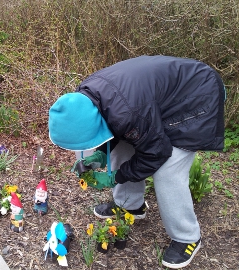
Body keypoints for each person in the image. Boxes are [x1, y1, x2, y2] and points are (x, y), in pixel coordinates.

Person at [48, 55, 225, 269]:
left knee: (168, 170)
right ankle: (131, 205)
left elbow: (156, 153)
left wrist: (116, 177)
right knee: (124, 146)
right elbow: (114, 128)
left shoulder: (126, 111)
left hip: (197, 95)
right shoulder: (88, 97)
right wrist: (100, 155)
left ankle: (188, 237)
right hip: (150, 105)